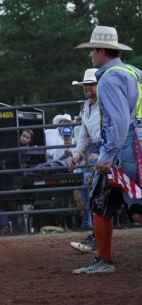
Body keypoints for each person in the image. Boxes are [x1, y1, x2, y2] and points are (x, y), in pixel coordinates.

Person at [72, 25, 142, 274]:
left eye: (92, 51)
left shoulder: (109, 78)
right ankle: (103, 259)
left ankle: (104, 260)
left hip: (123, 149)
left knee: (101, 202)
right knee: (136, 202)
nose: (90, 55)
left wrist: (107, 155)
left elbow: (120, 121)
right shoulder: (133, 72)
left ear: (101, 50)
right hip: (138, 145)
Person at [69, 68, 100, 238]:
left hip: (111, 151)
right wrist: (77, 155)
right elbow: (84, 134)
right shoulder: (87, 106)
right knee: (98, 197)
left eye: (90, 84)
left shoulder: (106, 103)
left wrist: (103, 155)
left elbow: (114, 131)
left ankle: (97, 237)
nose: (87, 87)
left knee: (131, 199)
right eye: (85, 85)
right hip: (102, 150)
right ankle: (97, 236)